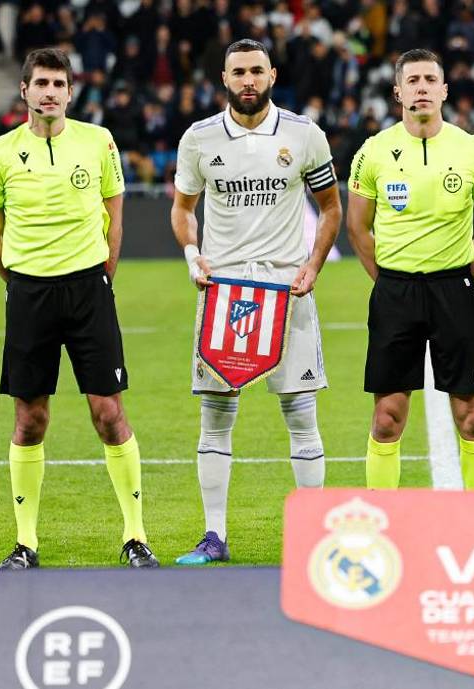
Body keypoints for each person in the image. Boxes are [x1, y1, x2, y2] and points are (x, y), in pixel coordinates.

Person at [0, 48, 157, 570]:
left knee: (109, 413)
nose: (50, 92)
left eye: (59, 84)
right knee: (30, 419)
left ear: (70, 93)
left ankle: (135, 536)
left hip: (88, 290)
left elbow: (113, 220)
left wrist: (100, 279)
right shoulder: (0, 153)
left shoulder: (98, 142)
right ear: (25, 91)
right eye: (41, 83)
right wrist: (21, 281)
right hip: (30, 293)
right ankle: (25, 543)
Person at [170, 39, 342, 565]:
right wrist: (193, 255)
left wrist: (312, 266)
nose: (248, 80)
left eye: (256, 71)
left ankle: (312, 535)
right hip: (223, 294)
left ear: (272, 74)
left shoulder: (303, 135)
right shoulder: (199, 139)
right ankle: (214, 535)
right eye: (238, 72)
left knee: (300, 413)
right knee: (217, 417)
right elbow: (183, 209)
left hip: (286, 292)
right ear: (224, 78)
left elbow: (331, 208)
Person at [346, 48, 474, 490]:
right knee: (386, 419)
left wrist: (460, 273)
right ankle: (383, 523)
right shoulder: (373, 151)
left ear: (444, 90)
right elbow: (357, 228)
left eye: (429, 80)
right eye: (412, 80)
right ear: (398, 91)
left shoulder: (472, 150)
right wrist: (390, 280)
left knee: (472, 418)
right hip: (395, 292)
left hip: (453, 290)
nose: (421, 88)